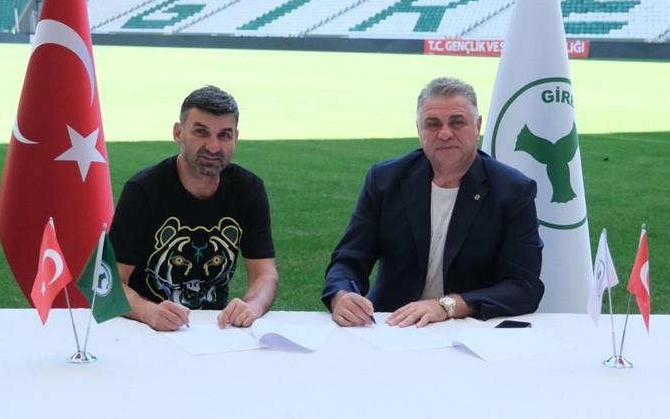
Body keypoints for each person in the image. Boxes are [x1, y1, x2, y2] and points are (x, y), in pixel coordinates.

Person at [322, 76, 543, 327]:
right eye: (433, 124)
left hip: (471, 327)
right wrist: (342, 294)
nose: (445, 133)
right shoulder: (385, 180)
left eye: (457, 122)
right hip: (393, 324)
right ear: (419, 129)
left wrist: (447, 305)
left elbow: (523, 287)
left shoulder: (512, 190)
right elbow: (350, 257)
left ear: (478, 126)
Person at [112, 85, 278, 331]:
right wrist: (149, 312)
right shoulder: (143, 190)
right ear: (178, 133)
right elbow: (112, 282)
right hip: (144, 328)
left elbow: (265, 274)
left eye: (224, 135)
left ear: (236, 138)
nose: (213, 146)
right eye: (201, 132)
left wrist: (252, 306)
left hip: (214, 327)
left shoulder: (248, 189)